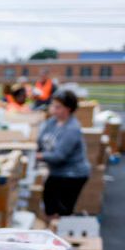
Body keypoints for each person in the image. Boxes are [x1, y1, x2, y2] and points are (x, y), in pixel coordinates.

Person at [37, 89, 91, 218]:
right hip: (57, 172)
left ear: (68, 109)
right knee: (49, 202)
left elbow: (58, 156)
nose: (53, 109)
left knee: (62, 209)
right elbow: (40, 140)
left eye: (58, 107)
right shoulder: (52, 122)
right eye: (53, 105)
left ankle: (60, 230)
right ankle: (51, 224)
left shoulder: (72, 129)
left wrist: (40, 156)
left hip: (72, 174)